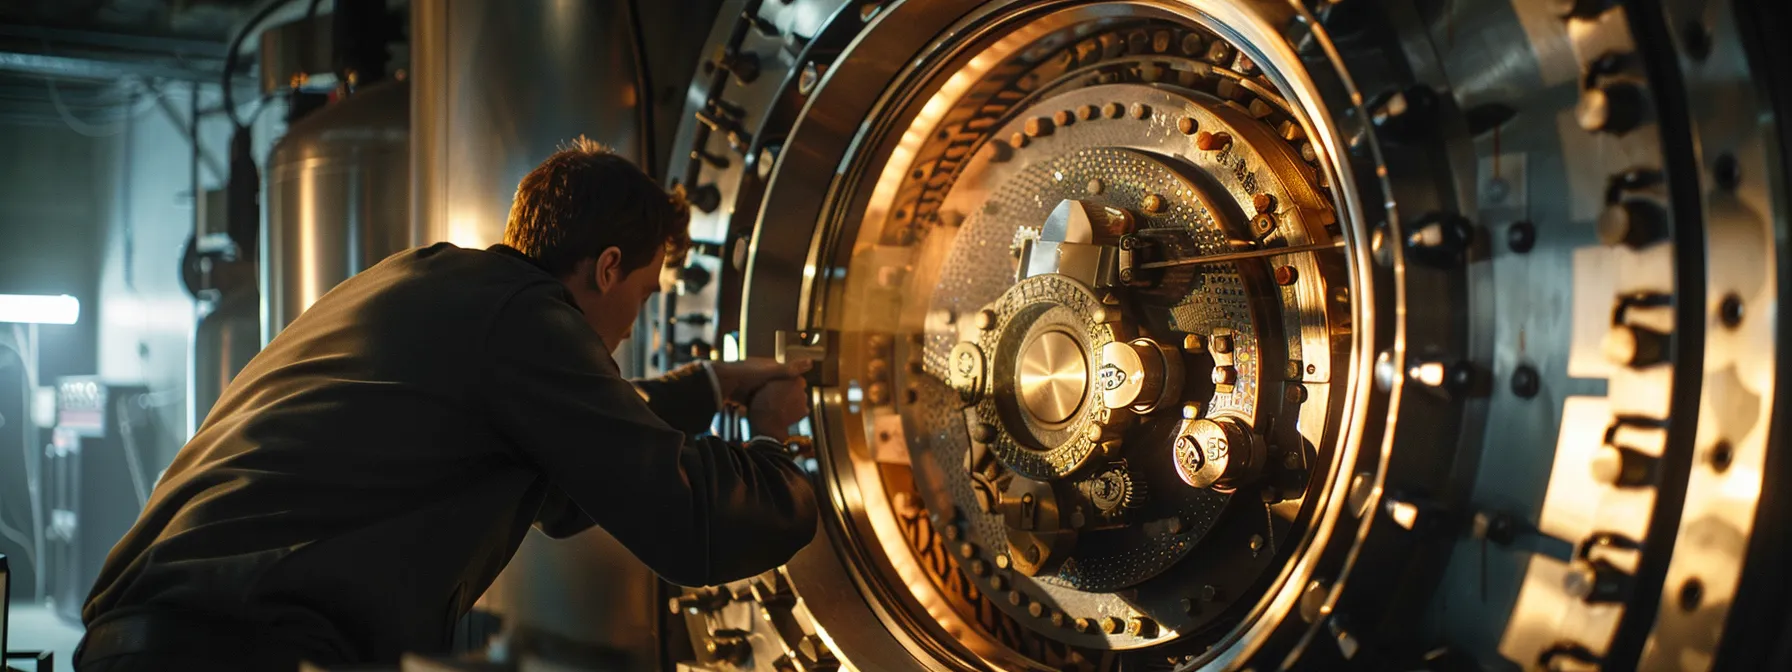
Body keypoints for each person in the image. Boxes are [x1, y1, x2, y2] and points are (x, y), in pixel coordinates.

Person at [73, 139, 820, 671]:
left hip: (143, 636)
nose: (634, 323)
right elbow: (688, 522)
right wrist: (777, 444)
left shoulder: (432, 284)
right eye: (642, 297)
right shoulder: (526, 321)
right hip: (241, 648)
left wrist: (716, 386)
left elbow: (572, 470)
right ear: (608, 267)